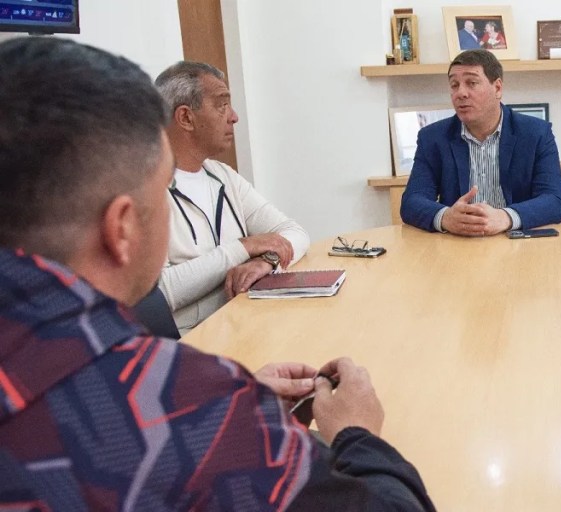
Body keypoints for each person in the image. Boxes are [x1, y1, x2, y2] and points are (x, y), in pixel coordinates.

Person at [0, 37, 434, 510]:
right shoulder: (186, 408)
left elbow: (289, 232)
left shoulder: (185, 399)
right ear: (121, 228)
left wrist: (232, 398)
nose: (234, 117)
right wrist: (357, 434)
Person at [155, 61, 310, 333]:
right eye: (222, 105)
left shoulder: (222, 175)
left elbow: (294, 233)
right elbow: (159, 294)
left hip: (245, 327)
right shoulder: (143, 190)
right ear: (186, 118)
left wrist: (267, 261)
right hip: (193, 345)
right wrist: (243, 248)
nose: (234, 116)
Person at [400, 49, 561, 236]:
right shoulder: (432, 138)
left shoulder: (536, 133)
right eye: (454, 85)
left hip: (518, 244)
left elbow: (554, 201)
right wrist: (446, 217)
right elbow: (412, 201)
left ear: (497, 88)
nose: (461, 93)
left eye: (472, 83)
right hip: (458, 245)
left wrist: (505, 217)